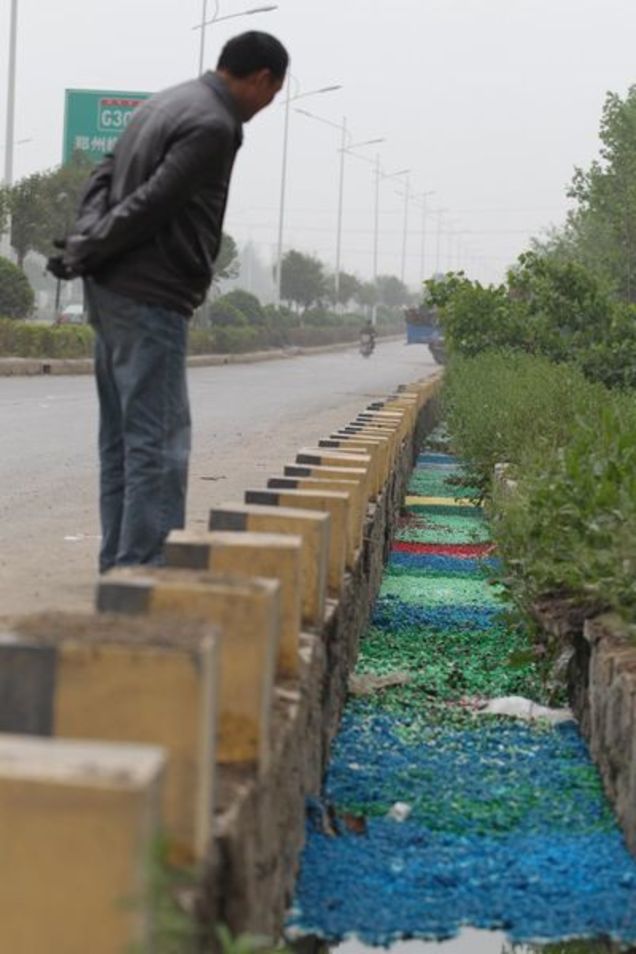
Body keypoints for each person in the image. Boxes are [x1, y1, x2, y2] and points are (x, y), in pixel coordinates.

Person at [47, 32, 288, 573]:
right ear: (261, 80)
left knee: (122, 441)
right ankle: (146, 574)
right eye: (272, 96)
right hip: (152, 293)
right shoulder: (213, 122)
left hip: (111, 288)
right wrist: (95, 243)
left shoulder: (164, 102)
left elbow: (103, 176)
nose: (265, 107)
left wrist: (87, 239)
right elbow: (155, 202)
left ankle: (120, 567)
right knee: (158, 442)